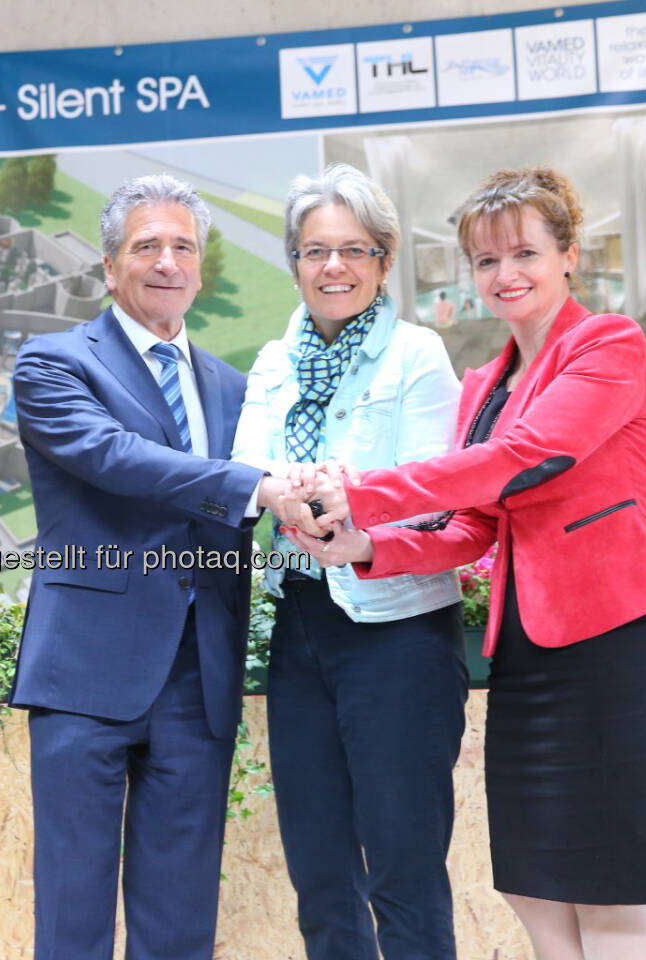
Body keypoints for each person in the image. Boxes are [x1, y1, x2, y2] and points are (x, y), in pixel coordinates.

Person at [287, 166, 646, 960]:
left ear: (570, 255)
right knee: (533, 887)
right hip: (529, 651)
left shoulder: (607, 343)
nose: (505, 275)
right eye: (485, 261)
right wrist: (365, 545)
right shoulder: (484, 382)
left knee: (612, 895)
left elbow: (527, 457)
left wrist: (360, 492)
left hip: (619, 639)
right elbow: (470, 525)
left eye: (525, 254)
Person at [10, 174, 294, 960]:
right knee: (73, 905)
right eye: (146, 246)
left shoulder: (238, 390)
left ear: (200, 270)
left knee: (180, 914)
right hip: (86, 673)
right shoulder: (54, 364)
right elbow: (115, 459)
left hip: (198, 676)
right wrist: (253, 484)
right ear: (110, 267)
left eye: (184, 247)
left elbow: (276, 490)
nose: (167, 262)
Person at [232, 162, 468, 960]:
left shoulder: (417, 354)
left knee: (404, 868)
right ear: (295, 262)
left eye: (353, 249)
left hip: (398, 630)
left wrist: (336, 491)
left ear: (383, 260)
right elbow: (247, 470)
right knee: (320, 871)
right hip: (300, 627)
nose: (333, 266)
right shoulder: (273, 361)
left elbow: (431, 493)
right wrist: (283, 489)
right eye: (314, 250)